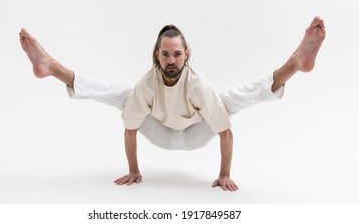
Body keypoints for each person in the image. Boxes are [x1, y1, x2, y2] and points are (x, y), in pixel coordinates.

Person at [19, 16, 326, 191]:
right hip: (162, 135)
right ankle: (53, 68)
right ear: (157, 55)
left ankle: (294, 63)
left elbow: (225, 132)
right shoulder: (148, 83)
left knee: (226, 100)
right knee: (125, 97)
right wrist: (134, 170)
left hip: (196, 135)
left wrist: (224, 174)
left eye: (177, 54)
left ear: (186, 55)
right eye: (165, 54)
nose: (171, 60)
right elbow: (130, 129)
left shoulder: (198, 85)